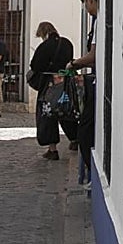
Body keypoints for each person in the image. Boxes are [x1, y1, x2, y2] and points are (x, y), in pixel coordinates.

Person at [30, 21, 76, 160]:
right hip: (66, 82)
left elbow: (35, 65)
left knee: (47, 115)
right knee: (67, 110)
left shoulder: (45, 46)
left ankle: (52, 149)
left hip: (49, 85)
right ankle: (75, 140)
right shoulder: (67, 43)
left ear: (43, 33)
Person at [68, 0, 98, 184]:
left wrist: (75, 63)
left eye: (86, 5)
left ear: (90, 0)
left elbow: (94, 55)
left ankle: (91, 176)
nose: (87, 10)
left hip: (96, 83)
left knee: (85, 132)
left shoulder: (99, 22)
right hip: (96, 79)